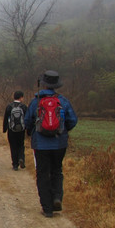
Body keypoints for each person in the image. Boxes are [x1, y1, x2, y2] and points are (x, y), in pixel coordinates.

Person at [24, 71, 78, 218]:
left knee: (42, 174)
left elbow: (27, 121)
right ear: (56, 85)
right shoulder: (63, 101)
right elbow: (73, 120)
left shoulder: (36, 101)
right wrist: (63, 131)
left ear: (43, 83)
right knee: (57, 170)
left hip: (40, 145)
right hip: (59, 143)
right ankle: (56, 198)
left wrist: (31, 132)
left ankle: (47, 208)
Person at [3, 91, 28, 171]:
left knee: (13, 146)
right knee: (21, 145)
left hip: (11, 130)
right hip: (21, 130)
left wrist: (4, 129)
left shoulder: (9, 106)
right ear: (21, 97)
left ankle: (15, 164)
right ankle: (21, 158)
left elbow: (5, 119)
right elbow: (27, 119)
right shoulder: (24, 107)